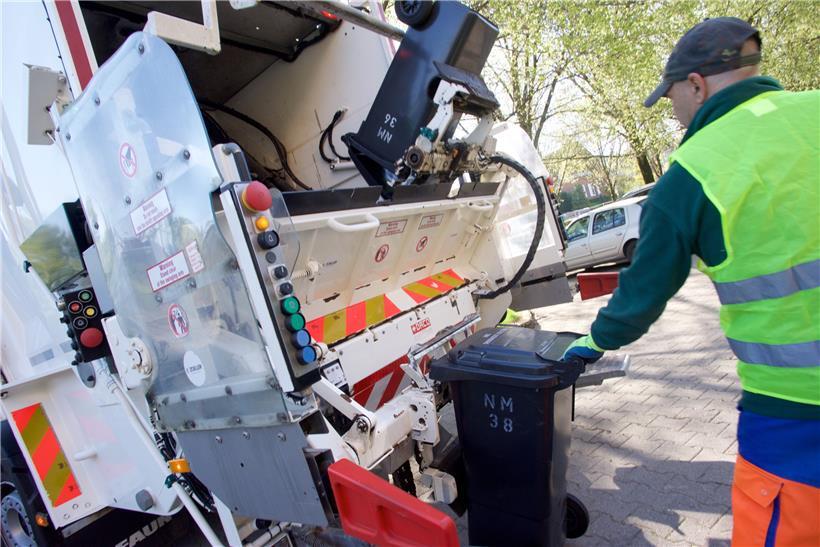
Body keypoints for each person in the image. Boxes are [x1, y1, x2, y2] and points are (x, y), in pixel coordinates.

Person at [562, 17, 819, 545]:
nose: (675, 112)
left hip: (796, 413)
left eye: (672, 97)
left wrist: (591, 342)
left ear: (697, 84)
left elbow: (641, 297)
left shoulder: (693, 172)